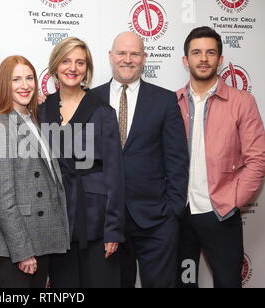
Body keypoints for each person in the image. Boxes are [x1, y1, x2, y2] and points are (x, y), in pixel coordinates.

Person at [93, 31, 189, 288]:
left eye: (135, 53)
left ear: (145, 58)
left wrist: (172, 214)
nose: (128, 59)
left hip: (156, 223)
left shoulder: (165, 101)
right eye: (122, 53)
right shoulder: (90, 100)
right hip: (106, 225)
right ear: (110, 57)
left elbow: (177, 162)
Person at [176, 26, 265, 288]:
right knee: (183, 283)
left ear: (220, 60)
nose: (203, 58)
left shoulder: (242, 102)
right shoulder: (173, 102)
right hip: (180, 216)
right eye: (196, 53)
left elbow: (257, 160)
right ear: (185, 60)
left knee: (227, 282)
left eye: (210, 52)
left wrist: (231, 202)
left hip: (220, 215)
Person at [39, 37, 125, 288]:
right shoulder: (42, 109)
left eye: (80, 62)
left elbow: (115, 174)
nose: (73, 68)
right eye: (66, 61)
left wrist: (114, 230)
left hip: (96, 220)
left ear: (87, 69)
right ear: (55, 66)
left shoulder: (103, 112)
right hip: (56, 221)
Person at [0, 55, 70, 288]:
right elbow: (3, 199)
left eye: (29, 78)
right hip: (20, 245)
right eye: (16, 79)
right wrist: (22, 252)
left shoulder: (33, 119)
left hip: (41, 238)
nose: (25, 85)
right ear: (5, 84)